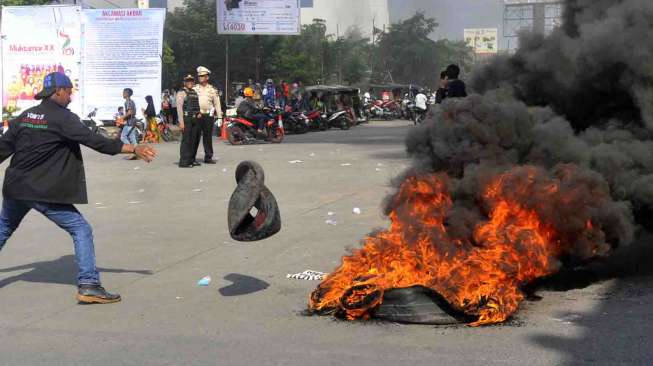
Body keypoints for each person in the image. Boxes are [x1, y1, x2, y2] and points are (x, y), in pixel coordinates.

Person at [0, 72, 157, 304]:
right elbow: (95, 140)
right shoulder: (63, 118)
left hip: (16, 187)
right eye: (69, 92)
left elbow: (3, 147)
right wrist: (132, 149)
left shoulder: (25, 116)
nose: (71, 97)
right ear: (58, 92)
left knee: (3, 228)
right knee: (81, 229)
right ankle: (89, 284)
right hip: (41, 189)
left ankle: (89, 284)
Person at [193, 66, 222, 165]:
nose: (200, 77)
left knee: (208, 137)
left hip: (208, 115)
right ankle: (192, 157)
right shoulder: (194, 88)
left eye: (202, 76)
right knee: (195, 136)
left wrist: (220, 117)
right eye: (199, 76)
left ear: (207, 77)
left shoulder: (213, 90)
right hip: (198, 115)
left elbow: (217, 104)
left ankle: (208, 157)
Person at [176, 74, 202, 168]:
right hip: (186, 119)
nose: (190, 82)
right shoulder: (181, 93)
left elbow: (196, 105)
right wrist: (181, 122)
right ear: (184, 82)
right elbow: (179, 108)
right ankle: (184, 161)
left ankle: (191, 159)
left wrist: (199, 113)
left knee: (194, 139)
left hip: (195, 118)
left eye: (191, 81)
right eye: (188, 81)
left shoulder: (194, 92)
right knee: (187, 140)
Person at [120, 88, 139, 159]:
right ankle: (137, 152)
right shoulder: (131, 101)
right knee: (132, 138)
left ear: (127, 94)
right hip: (133, 121)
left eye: (123, 92)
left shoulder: (127, 102)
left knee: (123, 137)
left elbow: (130, 112)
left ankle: (132, 151)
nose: (122, 94)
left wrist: (122, 118)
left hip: (130, 122)